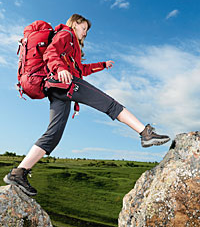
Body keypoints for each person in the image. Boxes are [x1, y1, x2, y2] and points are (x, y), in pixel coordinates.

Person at [4, 14, 170, 196]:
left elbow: (81, 69)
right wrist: (60, 68)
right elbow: (50, 52)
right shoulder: (66, 33)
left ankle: (18, 173)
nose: (85, 34)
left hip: (58, 89)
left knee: (53, 134)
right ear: (75, 24)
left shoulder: (72, 46)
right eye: (84, 29)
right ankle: (145, 133)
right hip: (63, 83)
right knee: (110, 105)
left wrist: (102, 65)